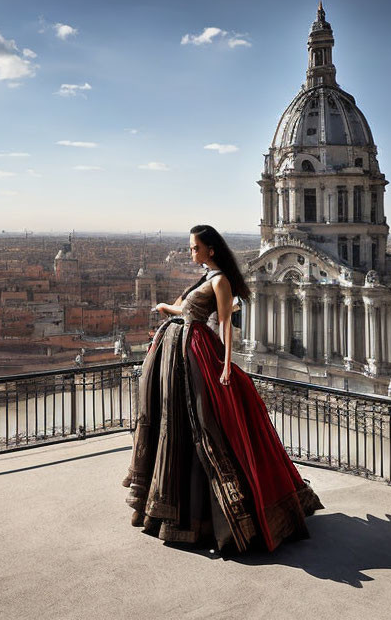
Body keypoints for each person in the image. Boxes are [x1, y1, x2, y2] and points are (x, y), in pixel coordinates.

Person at [122, 224, 322, 553]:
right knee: (175, 425)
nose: (190, 252)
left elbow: (226, 323)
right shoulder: (204, 278)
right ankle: (168, 509)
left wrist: (228, 364)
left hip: (196, 353)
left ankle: (211, 517)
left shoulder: (220, 281)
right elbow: (187, 310)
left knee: (201, 424)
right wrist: (166, 308)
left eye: (194, 247)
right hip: (176, 354)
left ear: (210, 249)